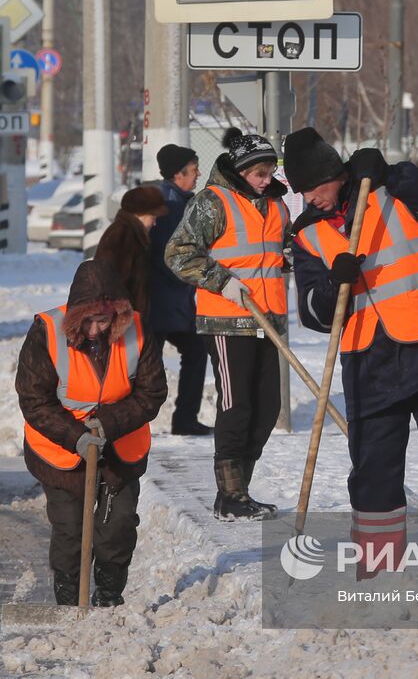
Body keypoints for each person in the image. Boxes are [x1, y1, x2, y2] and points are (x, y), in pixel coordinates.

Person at [282, 128, 418, 594]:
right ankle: (378, 585)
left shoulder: (388, 191)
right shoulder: (307, 236)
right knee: (374, 478)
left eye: (313, 187)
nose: (309, 198)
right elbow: (314, 314)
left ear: (335, 175)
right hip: (368, 365)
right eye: (301, 192)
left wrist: (398, 174)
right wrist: (333, 285)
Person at [16, 259, 167, 607]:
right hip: (61, 449)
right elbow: (33, 398)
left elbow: (152, 392)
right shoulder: (47, 332)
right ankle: (70, 599)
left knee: (118, 526)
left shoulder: (137, 331)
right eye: (89, 321)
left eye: (105, 321)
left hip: (120, 445)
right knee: (70, 528)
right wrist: (76, 435)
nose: (97, 329)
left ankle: (109, 596)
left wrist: (109, 424)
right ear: (75, 315)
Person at [165, 129, 289, 521]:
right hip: (226, 319)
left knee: (267, 408)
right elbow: (178, 252)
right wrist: (222, 281)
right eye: (260, 173)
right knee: (237, 406)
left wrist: (289, 256)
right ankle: (229, 496)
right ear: (241, 171)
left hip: (268, 319)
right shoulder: (212, 203)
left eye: (270, 170)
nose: (268, 179)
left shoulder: (276, 205)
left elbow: (276, 250)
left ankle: (242, 489)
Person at [149, 145, 213, 436]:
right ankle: (179, 419)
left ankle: (183, 419)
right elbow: (169, 257)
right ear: (178, 174)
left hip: (172, 301)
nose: (198, 173)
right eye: (193, 168)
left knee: (191, 352)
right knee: (150, 365)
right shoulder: (170, 204)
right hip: (163, 301)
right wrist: (192, 277)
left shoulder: (178, 200)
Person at [95, 185, 168, 318]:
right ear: (140, 214)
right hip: (123, 321)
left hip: (131, 320)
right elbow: (110, 283)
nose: (155, 223)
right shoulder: (122, 234)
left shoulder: (134, 234)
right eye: (153, 217)